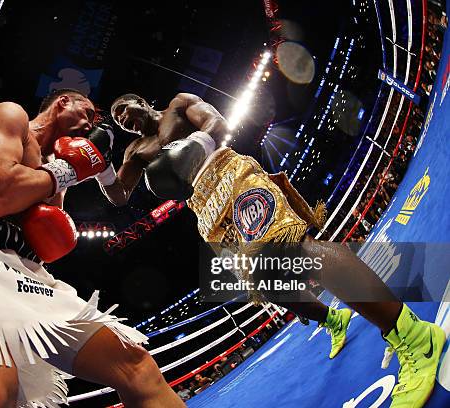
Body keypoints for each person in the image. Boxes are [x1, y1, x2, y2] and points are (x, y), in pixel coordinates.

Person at [97, 92, 446, 408]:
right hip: (204, 208)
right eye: (116, 119)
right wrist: (100, 164)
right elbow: (118, 196)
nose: (123, 118)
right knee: (267, 283)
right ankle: (332, 319)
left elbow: (216, 121)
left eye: (123, 109)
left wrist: (196, 144)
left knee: (297, 249)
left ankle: (415, 336)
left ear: (140, 101)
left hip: (226, 173)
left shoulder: (177, 104)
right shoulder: (135, 152)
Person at [0, 88, 184, 408]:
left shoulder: (53, 165)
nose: (90, 124)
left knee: (138, 368)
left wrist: (67, 174)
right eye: (86, 112)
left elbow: (49, 248)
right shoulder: (11, 117)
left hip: (30, 272)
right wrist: (69, 170)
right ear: (63, 103)